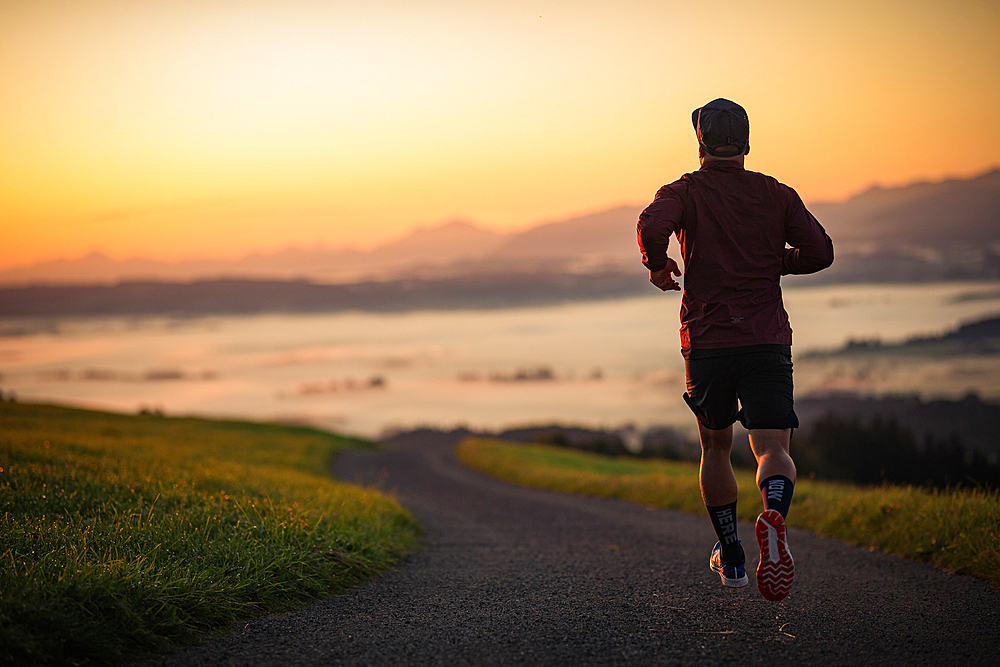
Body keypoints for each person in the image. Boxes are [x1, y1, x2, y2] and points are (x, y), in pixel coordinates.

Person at [636, 98, 834, 601]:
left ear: (700, 142)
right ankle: (774, 514)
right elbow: (820, 252)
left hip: (708, 341)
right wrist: (776, 263)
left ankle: (733, 557)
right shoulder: (776, 195)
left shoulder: (684, 192)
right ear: (746, 143)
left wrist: (658, 267)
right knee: (772, 448)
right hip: (767, 339)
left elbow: (651, 227)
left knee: (716, 446)